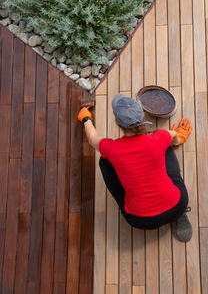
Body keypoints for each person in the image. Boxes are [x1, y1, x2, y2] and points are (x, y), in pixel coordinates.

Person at [78, 93, 192, 241]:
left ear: (117, 123)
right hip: (177, 205)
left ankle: (168, 211)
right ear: (143, 118)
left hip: (140, 220)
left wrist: (86, 118)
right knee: (167, 148)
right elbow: (173, 136)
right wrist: (178, 139)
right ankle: (179, 214)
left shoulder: (111, 149)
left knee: (105, 162)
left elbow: (93, 139)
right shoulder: (160, 137)